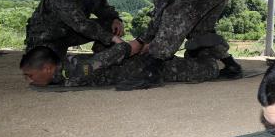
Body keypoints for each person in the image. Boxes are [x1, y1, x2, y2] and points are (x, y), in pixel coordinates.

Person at [109, 0, 242, 78]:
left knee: (174, 14)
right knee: (200, 30)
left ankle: (153, 68)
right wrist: (150, 39)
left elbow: (162, 12)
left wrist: (140, 41)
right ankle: (231, 65)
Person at [20, 42, 219, 88]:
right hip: (135, 68)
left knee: (209, 69)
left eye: (30, 75)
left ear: (47, 68)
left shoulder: (74, 71)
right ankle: (197, 52)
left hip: (146, 66)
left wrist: (133, 45)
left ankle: (210, 49)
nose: (29, 80)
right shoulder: (59, 72)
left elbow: (105, 57)